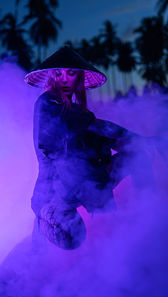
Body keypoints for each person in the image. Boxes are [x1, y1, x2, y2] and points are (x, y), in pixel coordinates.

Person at [24, 46, 153, 250]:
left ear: (79, 77)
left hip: (85, 182)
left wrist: (138, 143)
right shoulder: (47, 102)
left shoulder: (75, 110)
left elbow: (101, 137)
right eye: (59, 73)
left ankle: (148, 214)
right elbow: (97, 127)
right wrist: (138, 139)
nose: (65, 79)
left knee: (136, 156)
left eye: (72, 73)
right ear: (52, 77)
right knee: (70, 241)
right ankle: (38, 248)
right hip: (55, 192)